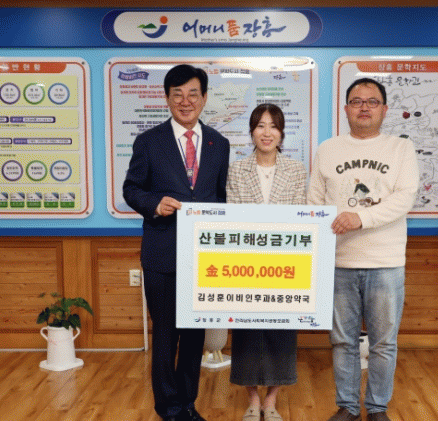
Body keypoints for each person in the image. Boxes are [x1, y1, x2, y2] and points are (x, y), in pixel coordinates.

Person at [307, 78, 419, 421]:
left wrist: (361, 217)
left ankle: (377, 408)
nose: (364, 107)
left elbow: (404, 198)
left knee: (384, 343)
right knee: (343, 341)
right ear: (346, 109)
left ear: (384, 109)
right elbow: (314, 202)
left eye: (372, 101)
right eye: (357, 101)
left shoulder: (401, 148)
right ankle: (348, 406)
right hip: (339, 261)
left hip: (385, 262)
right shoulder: (328, 148)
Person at [123, 64, 230, 421]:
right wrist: (154, 204)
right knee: (166, 335)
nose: (186, 102)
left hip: (203, 256)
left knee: (195, 336)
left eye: (193, 94)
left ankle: (187, 404)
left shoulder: (219, 143)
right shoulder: (148, 141)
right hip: (162, 253)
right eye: (178, 95)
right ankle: (168, 408)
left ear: (204, 98)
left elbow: (220, 197)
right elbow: (131, 189)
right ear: (167, 99)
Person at [226, 103, 307, 421]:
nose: (267, 132)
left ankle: (271, 399)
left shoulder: (296, 170)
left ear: (282, 132)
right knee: (246, 333)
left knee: (280, 333)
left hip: (285, 265)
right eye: (260, 125)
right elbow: (232, 217)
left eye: (273, 126)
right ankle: (252, 399)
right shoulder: (236, 170)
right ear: (251, 132)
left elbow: (300, 216)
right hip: (245, 264)